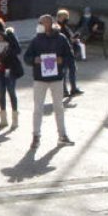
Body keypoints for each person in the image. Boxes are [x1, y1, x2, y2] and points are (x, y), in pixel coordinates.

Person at [24, 15, 75, 148]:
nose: (45, 25)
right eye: (42, 22)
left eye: (48, 22)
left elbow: (70, 55)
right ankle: (36, 136)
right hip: (40, 79)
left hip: (56, 78)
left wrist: (62, 60)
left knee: (59, 107)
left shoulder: (61, 38)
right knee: (38, 109)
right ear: (40, 24)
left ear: (52, 24)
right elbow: (27, 57)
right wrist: (34, 60)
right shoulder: (36, 40)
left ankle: (62, 135)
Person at [55, 9, 83, 98]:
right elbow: (61, 40)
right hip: (62, 53)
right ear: (59, 17)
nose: (67, 19)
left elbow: (69, 36)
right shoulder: (56, 28)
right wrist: (72, 39)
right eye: (65, 17)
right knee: (63, 73)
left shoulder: (65, 26)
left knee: (72, 70)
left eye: (67, 17)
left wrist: (74, 39)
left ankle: (73, 89)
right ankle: (64, 91)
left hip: (70, 52)